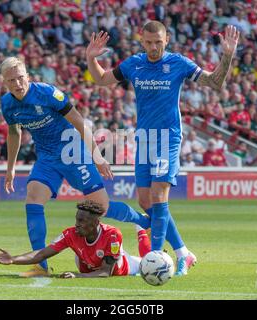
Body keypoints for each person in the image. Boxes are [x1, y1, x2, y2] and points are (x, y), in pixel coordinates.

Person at [86, 21, 239, 274]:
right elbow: (102, 79)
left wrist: (227, 55)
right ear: (141, 40)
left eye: (158, 42)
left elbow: (214, 83)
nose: (154, 47)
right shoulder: (134, 64)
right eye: (149, 42)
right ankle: (183, 252)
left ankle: (155, 261)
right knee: (146, 202)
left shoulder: (179, 63)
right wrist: (91, 58)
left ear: (166, 39)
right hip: (143, 138)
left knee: (158, 197)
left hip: (167, 138)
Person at [0, 57, 150, 277]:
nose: (18, 84)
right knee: (33, 199)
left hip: (73, 152)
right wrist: (10, 167)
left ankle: (143, 221)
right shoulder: (7, 103)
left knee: (103, 208)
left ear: (28, 77)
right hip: (47, 158)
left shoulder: (47, 94)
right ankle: (40, 266)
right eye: (12, 80)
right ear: (5, 82)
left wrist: (97, 157)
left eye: (21, 78)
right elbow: (14, 132)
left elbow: (78, 121)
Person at [0, 200, 151, 278]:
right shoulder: (70, 233)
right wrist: (13, 259)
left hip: (124, 268)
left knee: (148, 263)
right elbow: (42, 254)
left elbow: (105, 272)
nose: (76, 224)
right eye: (76, 219)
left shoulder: (113, 234)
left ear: (95, 223)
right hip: (89, 266)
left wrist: (76, 275)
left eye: (82, 221)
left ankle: (141, 229)